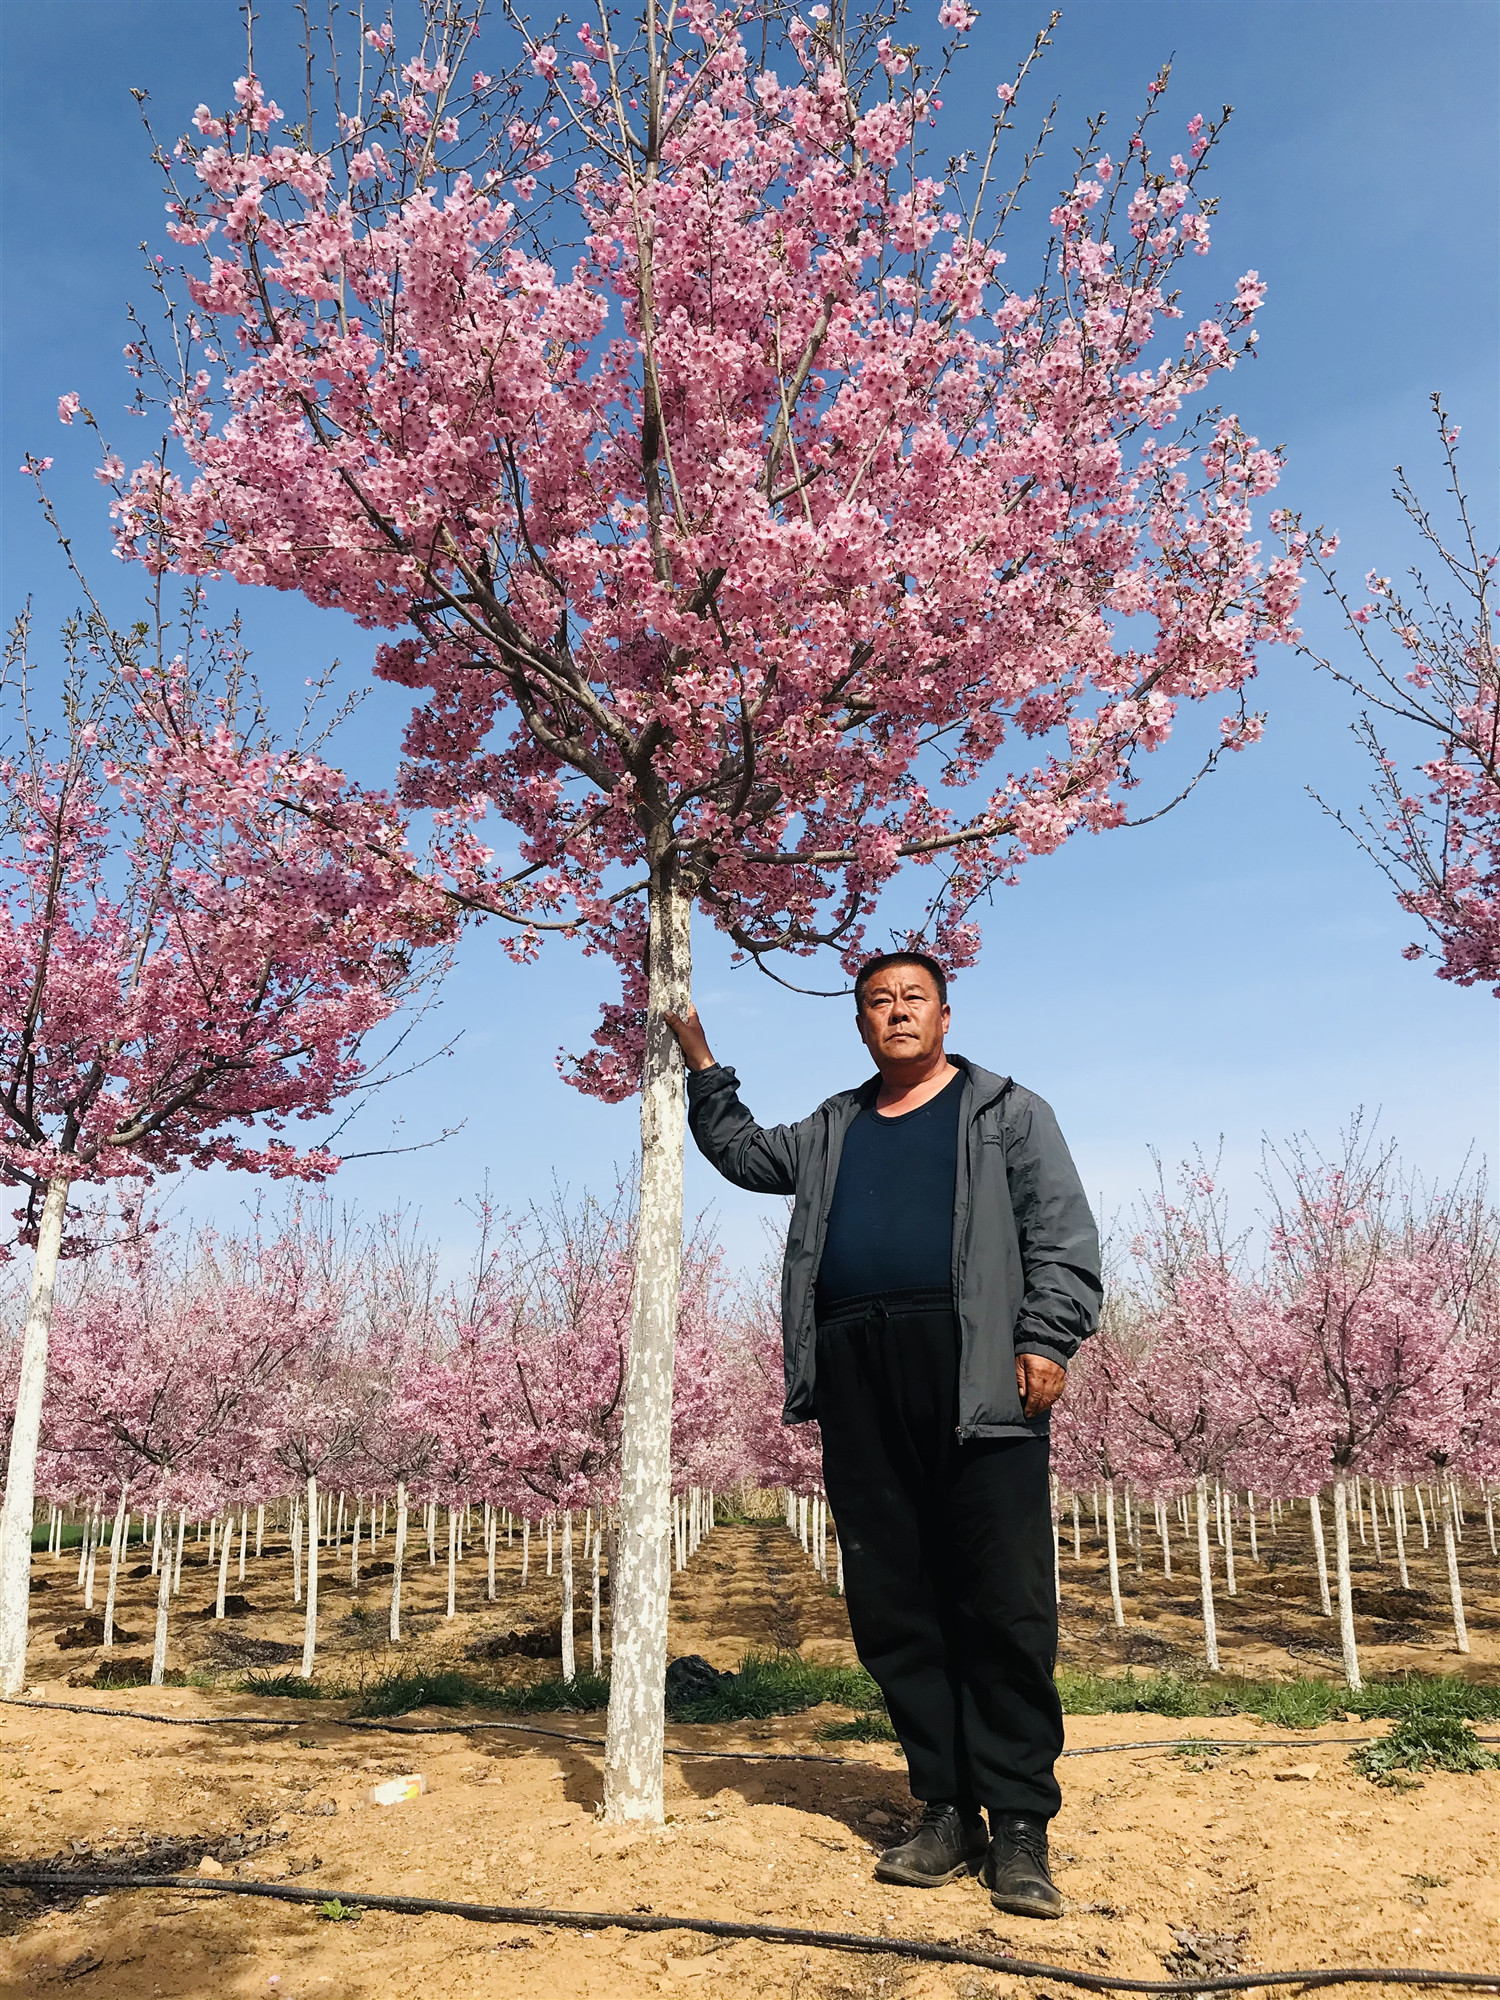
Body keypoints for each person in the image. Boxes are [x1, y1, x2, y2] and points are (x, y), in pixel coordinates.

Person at [666, 952, 1101, 1920]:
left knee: (1003, 1597)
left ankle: (1021, 1820)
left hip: (977, 1365)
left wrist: (1046, 1336)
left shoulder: (1006, 1111)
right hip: (860, 1369)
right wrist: (702, 1060)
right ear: (860, 1022)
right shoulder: (833, 1126)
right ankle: (946, 1806)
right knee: (895, 1596)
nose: (895, 1012)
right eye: (877, 1001)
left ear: (945, 1013)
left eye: (912, 998)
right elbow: (743, 1154)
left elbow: (1062, 1232)